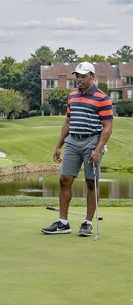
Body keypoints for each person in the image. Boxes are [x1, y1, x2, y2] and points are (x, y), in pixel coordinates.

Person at [41, 61, 113, 237]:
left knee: (91, 182)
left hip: (92, 142)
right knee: (64, 180)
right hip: (73, 141)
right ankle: (63, 223)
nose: (79, 79)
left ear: (92, 77)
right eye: (77, 76)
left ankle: (87, 223)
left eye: (83, 76)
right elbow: (67, 122)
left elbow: (107, 127)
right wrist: (59, 146)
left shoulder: (102, 98)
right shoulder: (72, 96)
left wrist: (98, 150)